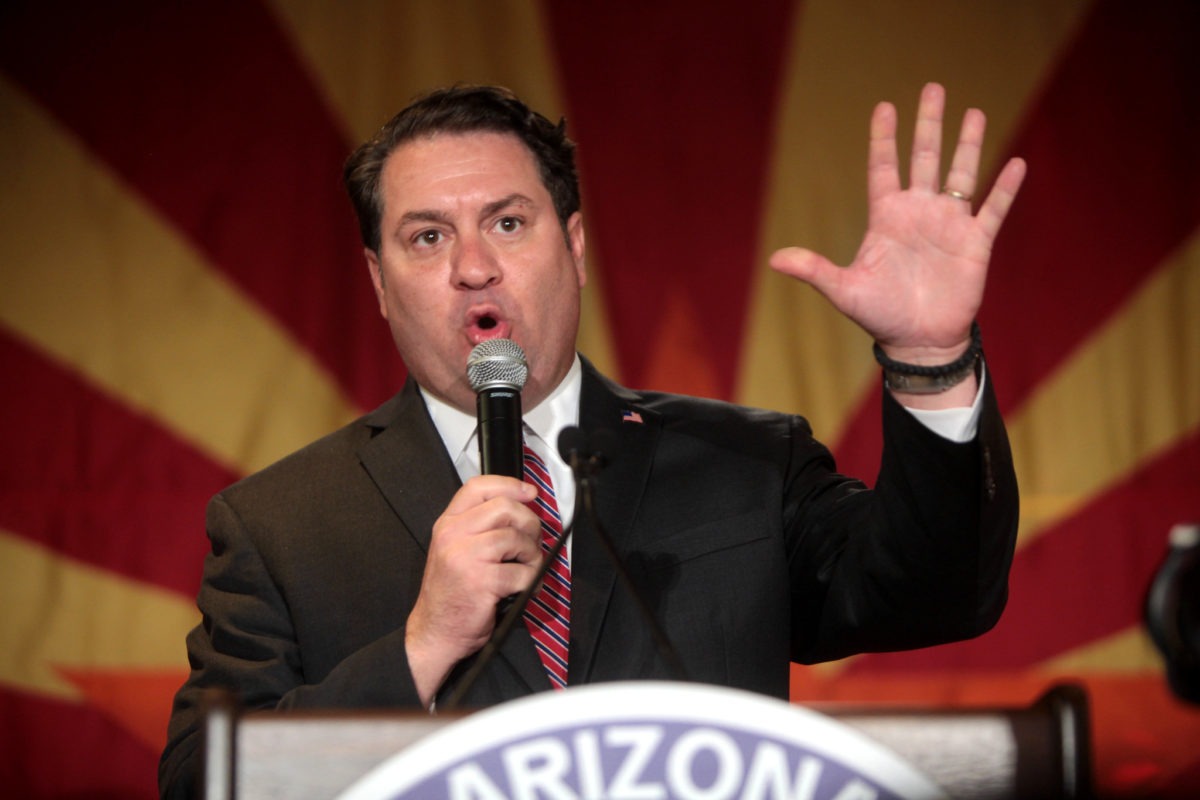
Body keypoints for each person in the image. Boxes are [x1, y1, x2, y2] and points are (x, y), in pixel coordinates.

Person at [159, 83, 1024, 797]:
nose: (473, 266)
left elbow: (939, 592)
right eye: (428, 237)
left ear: (573, 247)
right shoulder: (280, 523)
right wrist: (422, 645)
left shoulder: (745, 467)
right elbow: (208, 780)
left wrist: (928, 359)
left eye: (507, 222)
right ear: (380, 285)